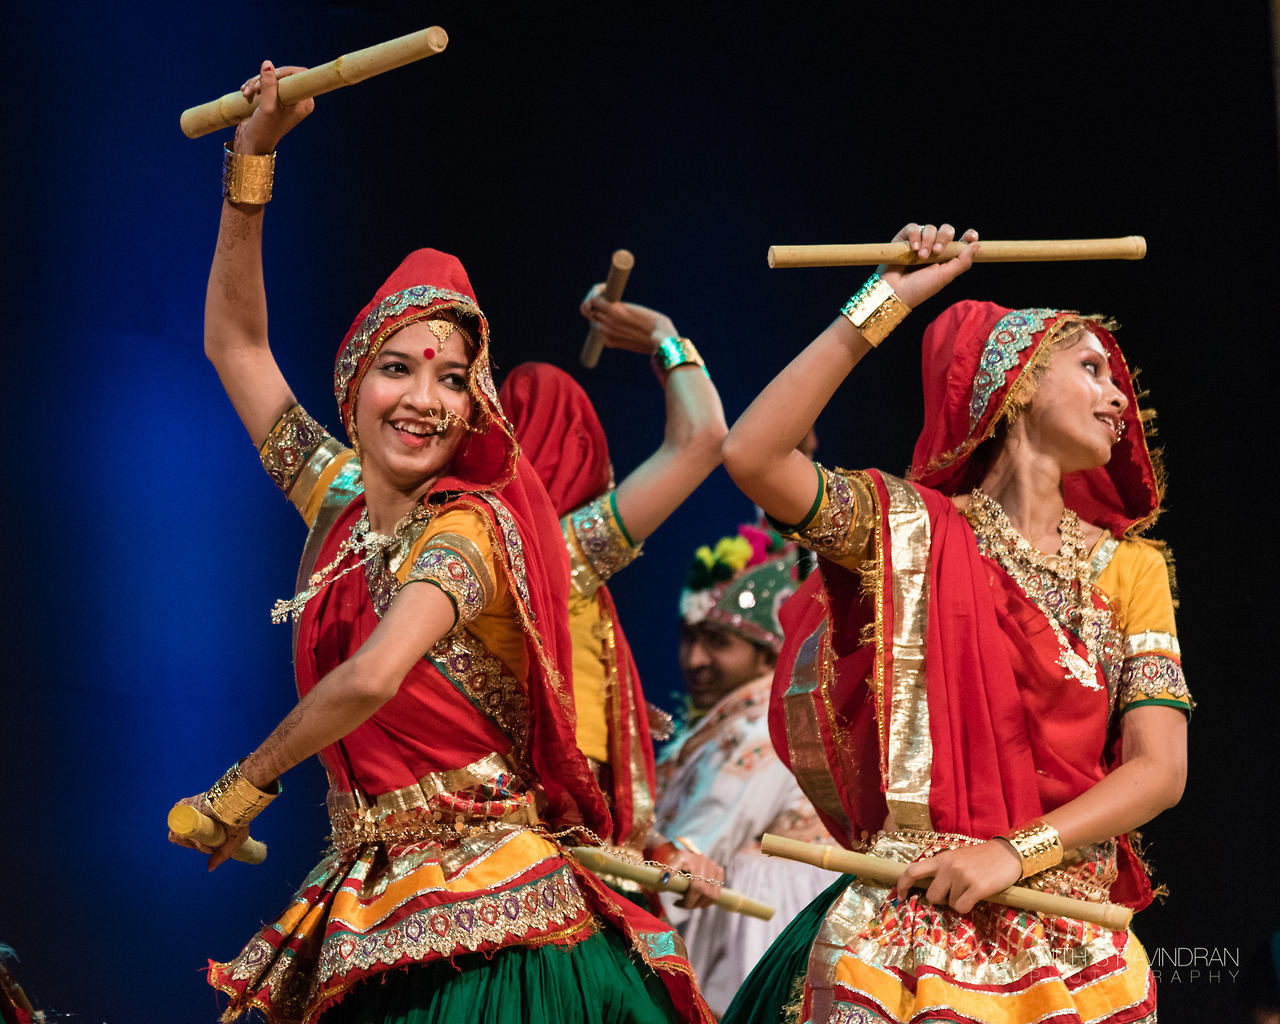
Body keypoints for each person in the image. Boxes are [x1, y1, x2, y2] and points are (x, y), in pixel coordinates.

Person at [168, 61, 713, 1024]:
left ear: (476, 407)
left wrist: (242, 785)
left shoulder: (472, 528)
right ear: (352, 383)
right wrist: (251, 160)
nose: (424, 398)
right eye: (398, 369)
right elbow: (237, 344)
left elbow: (376, 675)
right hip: (370, 887)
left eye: (453, 379)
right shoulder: (335, 494)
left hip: (495, 921)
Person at [719, 222, 1190, 1023]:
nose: (1120, 398)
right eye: (1090, 368)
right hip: (909, 919)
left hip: (1072, 937)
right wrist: (886, 299)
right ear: (1016, 385)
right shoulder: (907, 531)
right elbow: (753, 455)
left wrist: (1014, 852)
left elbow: (1159, 771)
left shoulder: (1131, 568)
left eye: (1119, 382)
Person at [497, 296, 727, 905]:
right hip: (553, 855)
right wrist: (665, 334)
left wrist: (657, 850)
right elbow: (703, 438)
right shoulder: (563, 555)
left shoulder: (456, 555)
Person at [655, 529, 837, 1016]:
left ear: (765, 652)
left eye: (717, 642)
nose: (695, 660)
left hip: (763, 936)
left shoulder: (760, 727)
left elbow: (692, 859)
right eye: (689, 638)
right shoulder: (726, 724)